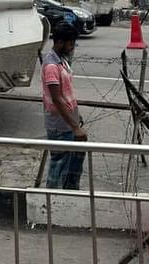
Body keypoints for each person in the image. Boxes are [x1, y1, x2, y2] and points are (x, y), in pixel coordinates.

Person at [42, 21, 86, 189]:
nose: (72, 47)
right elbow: (57, 99)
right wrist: (75, 126)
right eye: (70, 43)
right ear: (60, 42)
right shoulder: (52, 66)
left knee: (73, 162)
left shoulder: (61, 61)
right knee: (59, 165)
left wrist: (75, 116)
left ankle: (70, 194)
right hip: (60, 126)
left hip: (68, 121)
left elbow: (67, 95)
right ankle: (52, 200)